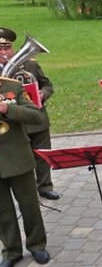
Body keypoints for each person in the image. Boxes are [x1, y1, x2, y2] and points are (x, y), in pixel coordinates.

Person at [0, 27, 49, 267]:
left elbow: (35, 115)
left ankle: (37, 245)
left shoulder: (12, 86)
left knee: (29, 205)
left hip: (18, 156)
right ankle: (11, 252)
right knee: (3, 211)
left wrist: (7, 109)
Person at [0, 28, 59, 200]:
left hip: (36, 119)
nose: (4, 52)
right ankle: (24, 188)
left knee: (42, 154)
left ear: (13, 48)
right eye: (0, 49)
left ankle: (45, 186)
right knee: (19, 157)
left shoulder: (30, 65)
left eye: (7, 48)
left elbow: (48, 85)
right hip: (12, 123)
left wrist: (42, 94)